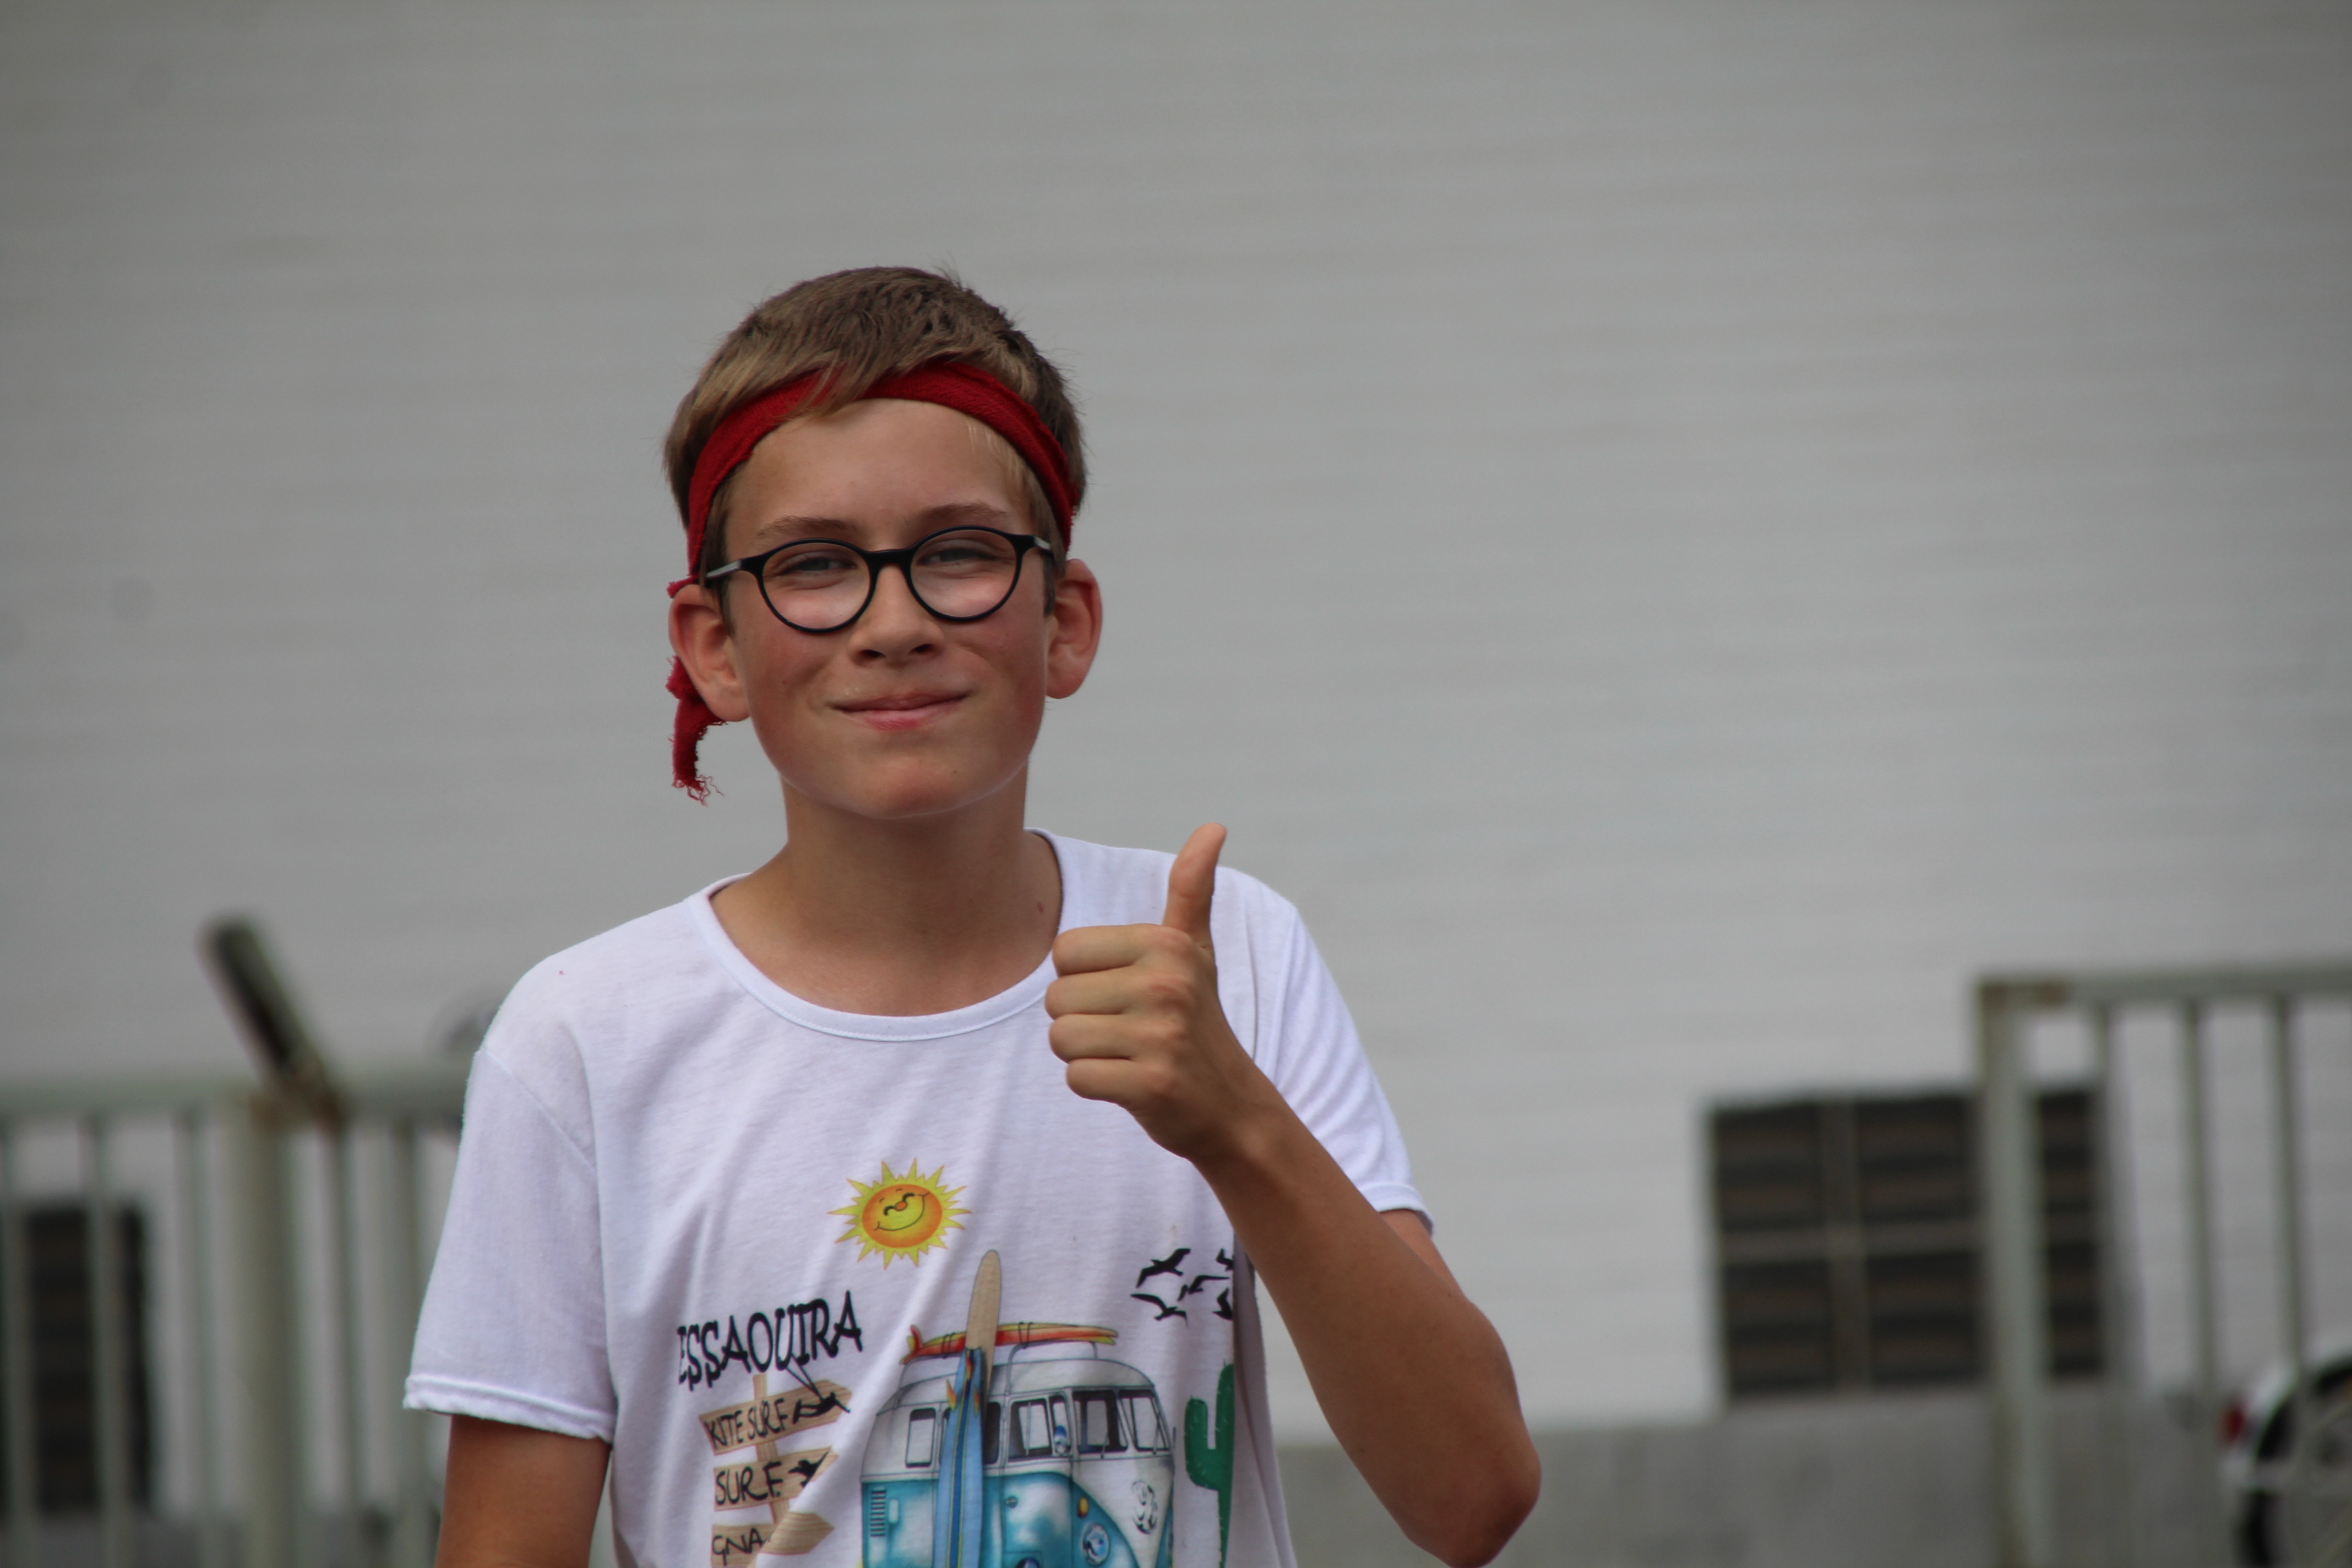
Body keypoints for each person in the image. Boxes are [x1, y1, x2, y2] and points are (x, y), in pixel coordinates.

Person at [406, 267, 1539, 1568]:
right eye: (814, 566)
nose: (892, 624)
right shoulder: (583, 1042)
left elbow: (1473, 1497)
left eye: (957, 553)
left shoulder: (1226, 960)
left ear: (1066, 621)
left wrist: (1238, 1123)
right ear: (713, 645)